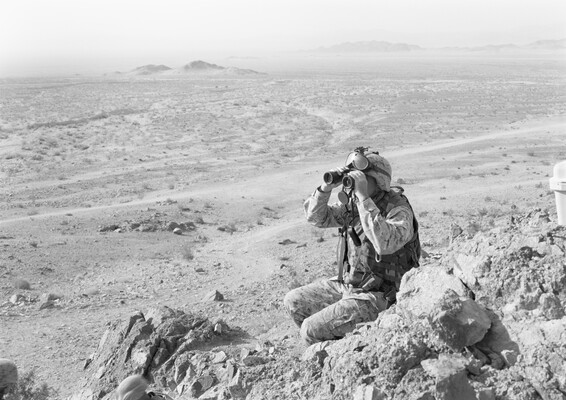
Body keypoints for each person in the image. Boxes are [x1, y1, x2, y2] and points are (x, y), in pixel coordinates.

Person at [284, 147, 421, 345]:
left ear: (379, 181)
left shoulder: (398, 209)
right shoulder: (355, 206)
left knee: (310, 329)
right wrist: (326, 188)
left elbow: (384, 244)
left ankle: (333, 354)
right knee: (294, 301)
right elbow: (317, 218)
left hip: (382, 294)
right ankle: (336, 341)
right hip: (352, 284)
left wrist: (364, 198)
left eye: (362, 179)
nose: (354, 185)